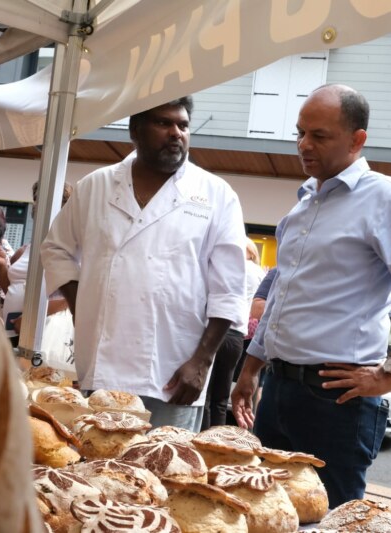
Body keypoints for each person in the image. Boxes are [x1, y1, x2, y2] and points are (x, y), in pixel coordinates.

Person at [231, 84, 391, 507]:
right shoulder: (303, 206)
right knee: (266, 512)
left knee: (331, 517)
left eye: (319, 135)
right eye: (299, 133)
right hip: (278, 391)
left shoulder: (385, 197)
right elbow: (279, 295)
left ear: (357, 140)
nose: (303, 145)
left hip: (334, 400)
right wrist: (251, 369)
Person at [41, 97, 247, 432]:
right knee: (101, 467)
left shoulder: (215, 194)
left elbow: (230, 288)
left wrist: (201, 361)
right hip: (104, 365)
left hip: (175, 371)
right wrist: (83, 305)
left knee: (168, 472)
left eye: (183, 125)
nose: (176, 133)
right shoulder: (95, 186)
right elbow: (55, 249)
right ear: (136, 130)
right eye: (164, 123)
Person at [0, 182, 73, 348]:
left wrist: (33, 317)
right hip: (12, 331)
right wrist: (1, 265)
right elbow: (11, 290)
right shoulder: (24, 251)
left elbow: (73, 298)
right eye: (36, 201)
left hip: (44, 334)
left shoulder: (70, 251)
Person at [201, 238, 265, 430]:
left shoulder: (228, 266)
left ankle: (203, 439)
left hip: (218, 329)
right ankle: (219, 437)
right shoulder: (260, 272)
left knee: (206, 394)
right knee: (222, 396)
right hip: (238, 334)